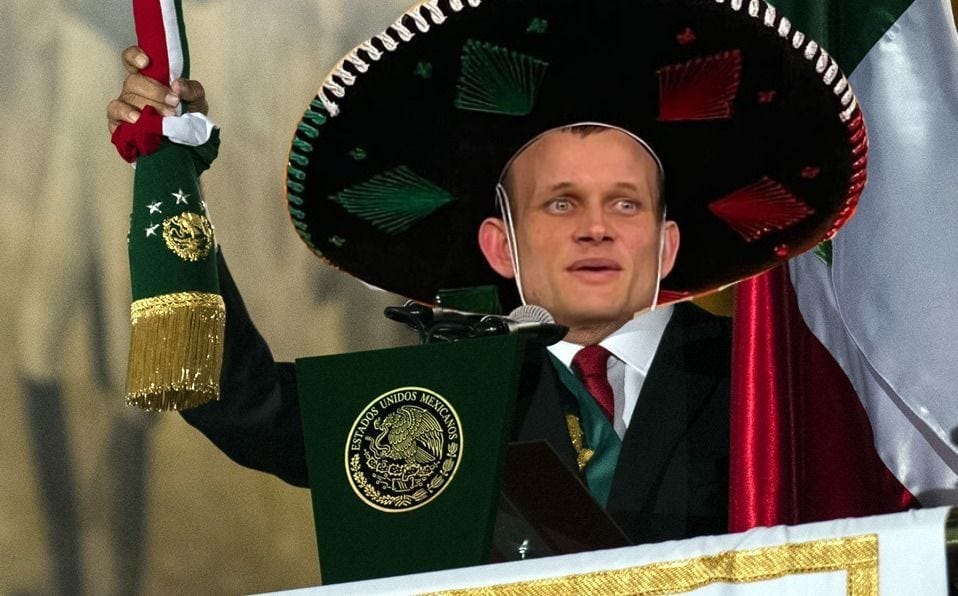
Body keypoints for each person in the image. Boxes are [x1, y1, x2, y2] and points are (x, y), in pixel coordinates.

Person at [107, 0, 864, 546]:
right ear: (501, 247)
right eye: (560, 203)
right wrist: (169, 166)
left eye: (625, 203)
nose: (596, 227)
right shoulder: (442, 399)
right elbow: (234, 398)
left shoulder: (779, 383)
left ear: (667, 244)